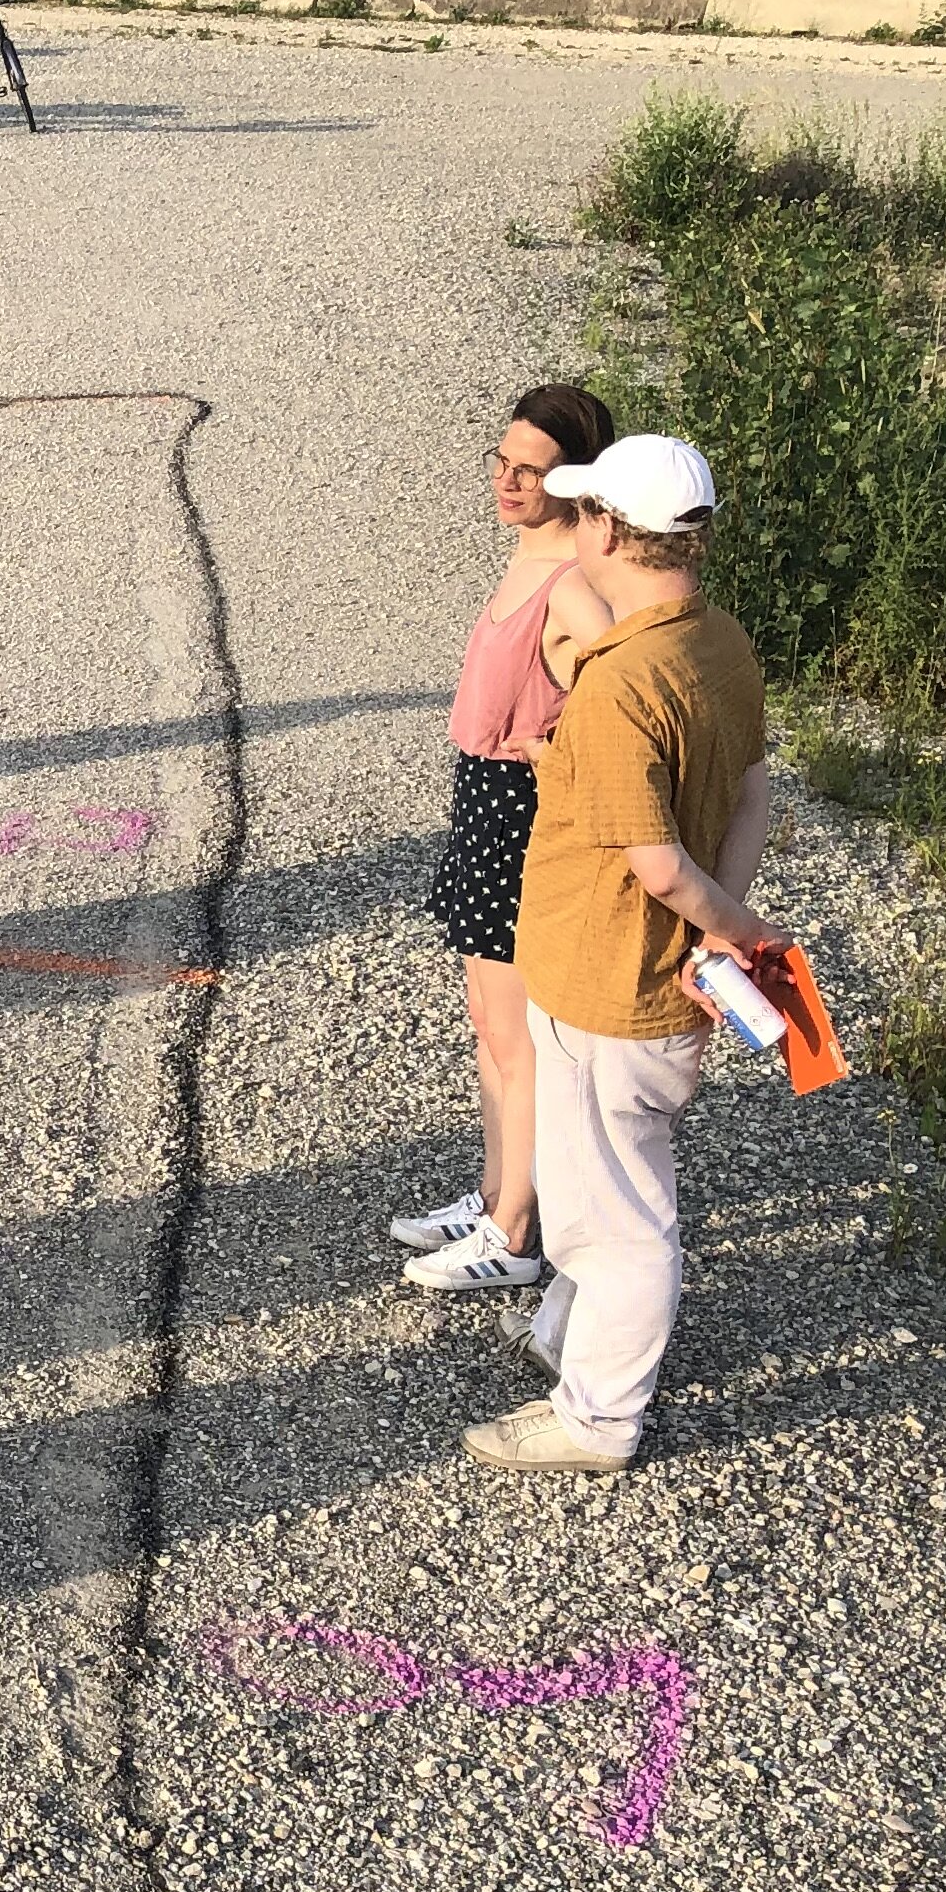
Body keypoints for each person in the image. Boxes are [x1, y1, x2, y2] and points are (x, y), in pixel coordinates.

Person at [467, 434, 778, 1476]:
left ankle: (598, 1419)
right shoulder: (719, 643)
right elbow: (748, 792)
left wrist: (734, 930)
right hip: (658, 979)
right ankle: (566, 1337)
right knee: (602, 1187)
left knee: (619, 1218)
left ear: (606, 530)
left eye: (583, 512)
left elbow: (654, 863)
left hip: (608, 984)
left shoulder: (619, 684)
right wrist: (721, 923)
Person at [396, 384, 620, 1297]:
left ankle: (517, 1232)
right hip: (482, 800)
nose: (510, 481)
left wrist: (559, 755)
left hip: (525, 812)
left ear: (573, 480)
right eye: (503, 461)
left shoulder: (575, 587)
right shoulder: (529, 558)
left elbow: (628, 696)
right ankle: (494, 1196)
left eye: (531, 470)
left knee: (520, 1036)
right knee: (489, 1022)